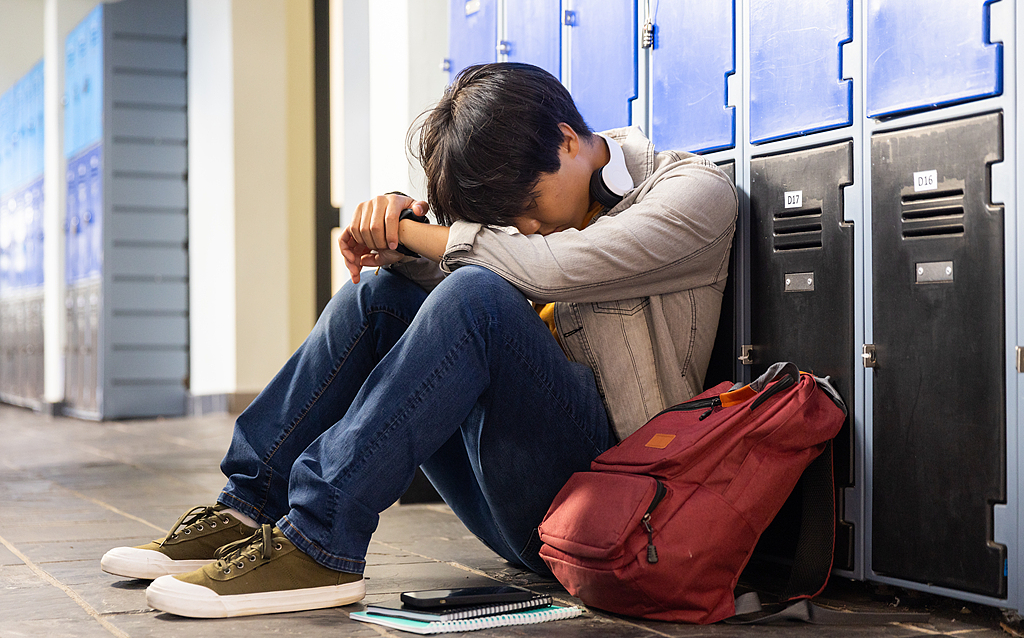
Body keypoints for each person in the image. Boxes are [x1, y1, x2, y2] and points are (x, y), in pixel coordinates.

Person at [99, 63, 738, 619]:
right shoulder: (535, 210)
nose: (522, 226)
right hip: (523, 510)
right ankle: (247, 510)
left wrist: (424, 236)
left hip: (618, 512)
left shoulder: (692, 197)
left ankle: (320, 543)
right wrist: (396, 227)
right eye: (505, 219)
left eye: (527, 208)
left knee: (477, 297)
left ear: (570, 142)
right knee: (378, 297)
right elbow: (467, 277)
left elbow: (550, 267)